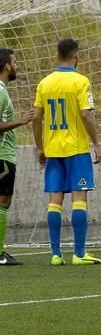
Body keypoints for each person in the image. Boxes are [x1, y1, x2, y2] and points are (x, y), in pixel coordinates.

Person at [33, 39, 101, 266]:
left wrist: (40, 147)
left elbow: (36, 117)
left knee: (55, 201)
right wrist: (97, 143)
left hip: (53, 150)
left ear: (57, 55)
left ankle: (55, 254)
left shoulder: (44, 83)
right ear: (77, 56)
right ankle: (79, 253)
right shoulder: (80, 81)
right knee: (79, 199)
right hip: (76, 149)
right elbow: (85, 115)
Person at [0, 49, 34, 266]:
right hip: (2, 155)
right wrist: (21, 121)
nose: (17, 65)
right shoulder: (0, 91)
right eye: (14, 61)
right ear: (6, 66)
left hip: (5, 154)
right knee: (2, 201)